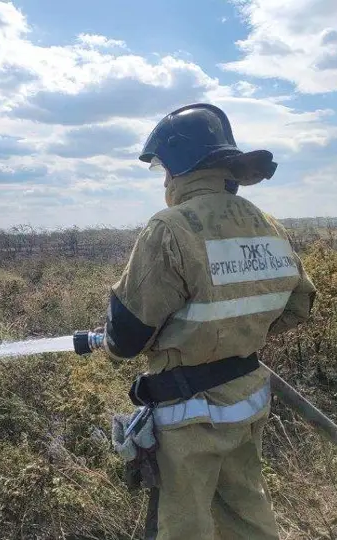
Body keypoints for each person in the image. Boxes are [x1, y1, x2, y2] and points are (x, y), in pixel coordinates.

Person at [95, 104, 316, 539]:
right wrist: (240, 333)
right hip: (248, 399)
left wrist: (119, 337)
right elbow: (298, 304)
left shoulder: (171, 228)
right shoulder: (266, 223)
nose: (163, 180)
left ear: (180, 165)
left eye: (164, 169)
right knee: (247, 513)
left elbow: (125, 339)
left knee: (184, 526)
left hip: (188, 416)